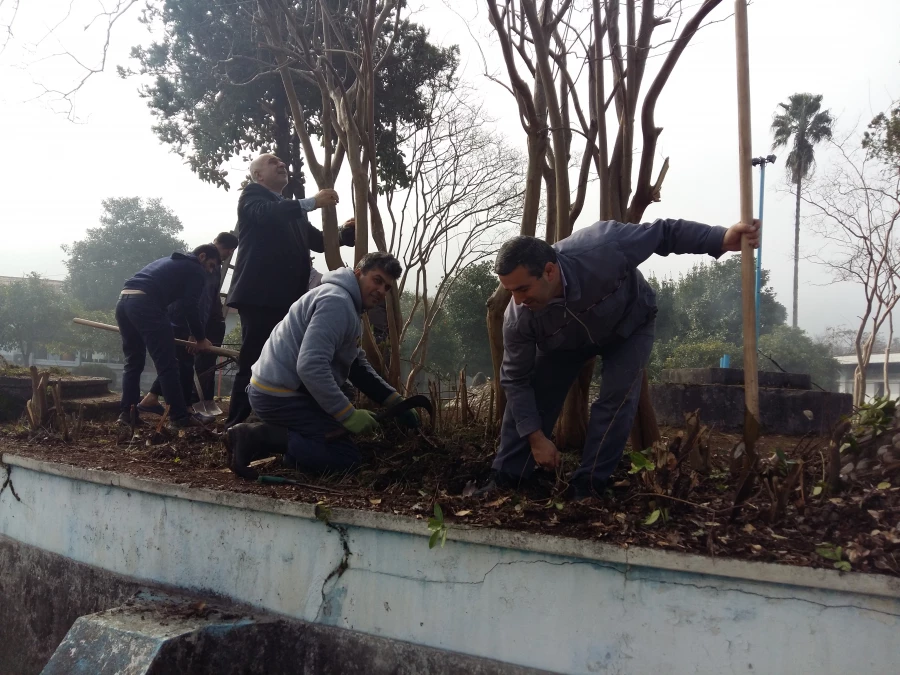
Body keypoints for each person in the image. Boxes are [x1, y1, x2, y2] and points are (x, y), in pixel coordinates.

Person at [480, 217, 761, 500]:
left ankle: (587, 486)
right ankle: (508, 476)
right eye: (510, 291)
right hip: (564, 344)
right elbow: (515, 379)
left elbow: (663, 234)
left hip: (629, 325)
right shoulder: (519, 319)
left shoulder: (603, 246)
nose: (516, 301)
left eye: (522, 289)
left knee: (616, 399)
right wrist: (536, 438)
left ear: (549, 271)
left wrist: (719, 237)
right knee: (535, 397)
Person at [224, 252, 419, 478]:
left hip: (282, 391)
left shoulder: (345, 303)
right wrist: (348, 415)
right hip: (278, 396)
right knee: (346, 458)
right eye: (377, 280)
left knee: (335, 435)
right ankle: (255, 436)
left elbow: (355, 364)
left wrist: (395, 400)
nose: (381, 291)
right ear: (358, 274)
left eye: (387, 287)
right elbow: (310, 366)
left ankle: (294, 453)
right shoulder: (337, 302)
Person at [224, 153, 355, 429]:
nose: (281, 164)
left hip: (288, 300)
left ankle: (272, 421)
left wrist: (345, 233)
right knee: (254, 358)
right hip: (260, 296)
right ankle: (235, 426)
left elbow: (319, 242)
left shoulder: (288, 208)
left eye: (281, 162)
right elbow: (266, 215)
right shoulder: (252, 198)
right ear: (258, 176)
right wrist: (311, 202)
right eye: (273, 162)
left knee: (283, 358)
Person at [115, 245, 221, 429]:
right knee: (169, 365)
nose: (211, 271)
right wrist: (200, 338)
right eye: (211, 265)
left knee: (133, 362)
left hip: (124, 303)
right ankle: (179, 418)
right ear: (202, 256)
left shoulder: (171, 261)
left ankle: (127, 415)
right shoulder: (196, 269)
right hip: (146, 304)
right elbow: (191, 305)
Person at [139, 232, 238, 416]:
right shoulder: (200, 263)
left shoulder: (211, 264)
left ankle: (156, 400)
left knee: (181, 362)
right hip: (184, 319)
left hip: (197, 319)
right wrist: (194, 332)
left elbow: (208, 299)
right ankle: (180, 409)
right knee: (181, 363)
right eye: (226, 251)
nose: (225, 256)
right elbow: (192, 300)